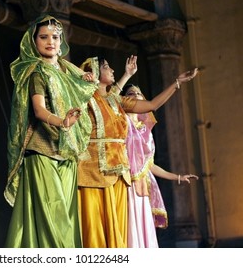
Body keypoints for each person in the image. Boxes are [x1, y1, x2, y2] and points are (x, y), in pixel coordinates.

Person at [77, 56, 198, 248]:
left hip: (120, 175)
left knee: (119, 235)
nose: (112, 70)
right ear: (94, 72)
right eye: (107, 67)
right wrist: (82, 81)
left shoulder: (116, 101)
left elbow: (151, 105)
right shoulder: (86, 99)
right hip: (94, 172)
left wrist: (177, 82)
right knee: (96, 229)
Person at [3, 15, 98, 248]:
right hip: (42, 151)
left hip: (67, 152)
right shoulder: (37, 72)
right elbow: (38, 110)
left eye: (55, 37)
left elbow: (83, 86)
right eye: (43, 37)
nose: (50, 41)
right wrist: (62, 122)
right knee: (53, 218)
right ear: (33, 42)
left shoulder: (67, 71)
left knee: (66, 214)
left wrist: (84, 80)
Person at [121, 84, 199, 248]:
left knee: (144, 230)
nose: (135, 95)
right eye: (130, 93)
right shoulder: (121, 124)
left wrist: (177, 177)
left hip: (142, 187)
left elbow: (150, 166)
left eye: (138, 92)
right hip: (124, 184)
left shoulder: (145, 133)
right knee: (128, 229)